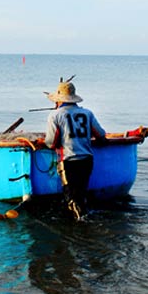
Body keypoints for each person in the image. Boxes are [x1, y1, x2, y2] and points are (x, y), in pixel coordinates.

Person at [44, 79, 106, 220]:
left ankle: (78, 225)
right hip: (87, 160)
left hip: (68, 161)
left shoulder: (55, 115)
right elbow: (101, 135)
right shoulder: (87, 113)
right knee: (81, 193)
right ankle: (83, 218)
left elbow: (51, 143)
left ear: (58, 101)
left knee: (70, 196)